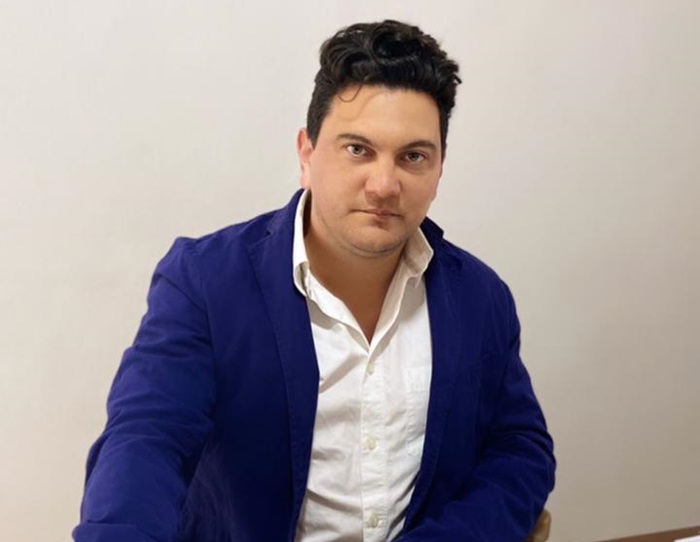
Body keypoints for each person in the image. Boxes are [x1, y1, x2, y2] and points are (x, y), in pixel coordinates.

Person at [74, 19, 555, 542]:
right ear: (307, 154)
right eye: (358, 149)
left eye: (413, 156)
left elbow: (518, 449)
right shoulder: (206, 281)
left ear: (439, 170)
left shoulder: (479, 297)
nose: (384, 184)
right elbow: (147, 437)